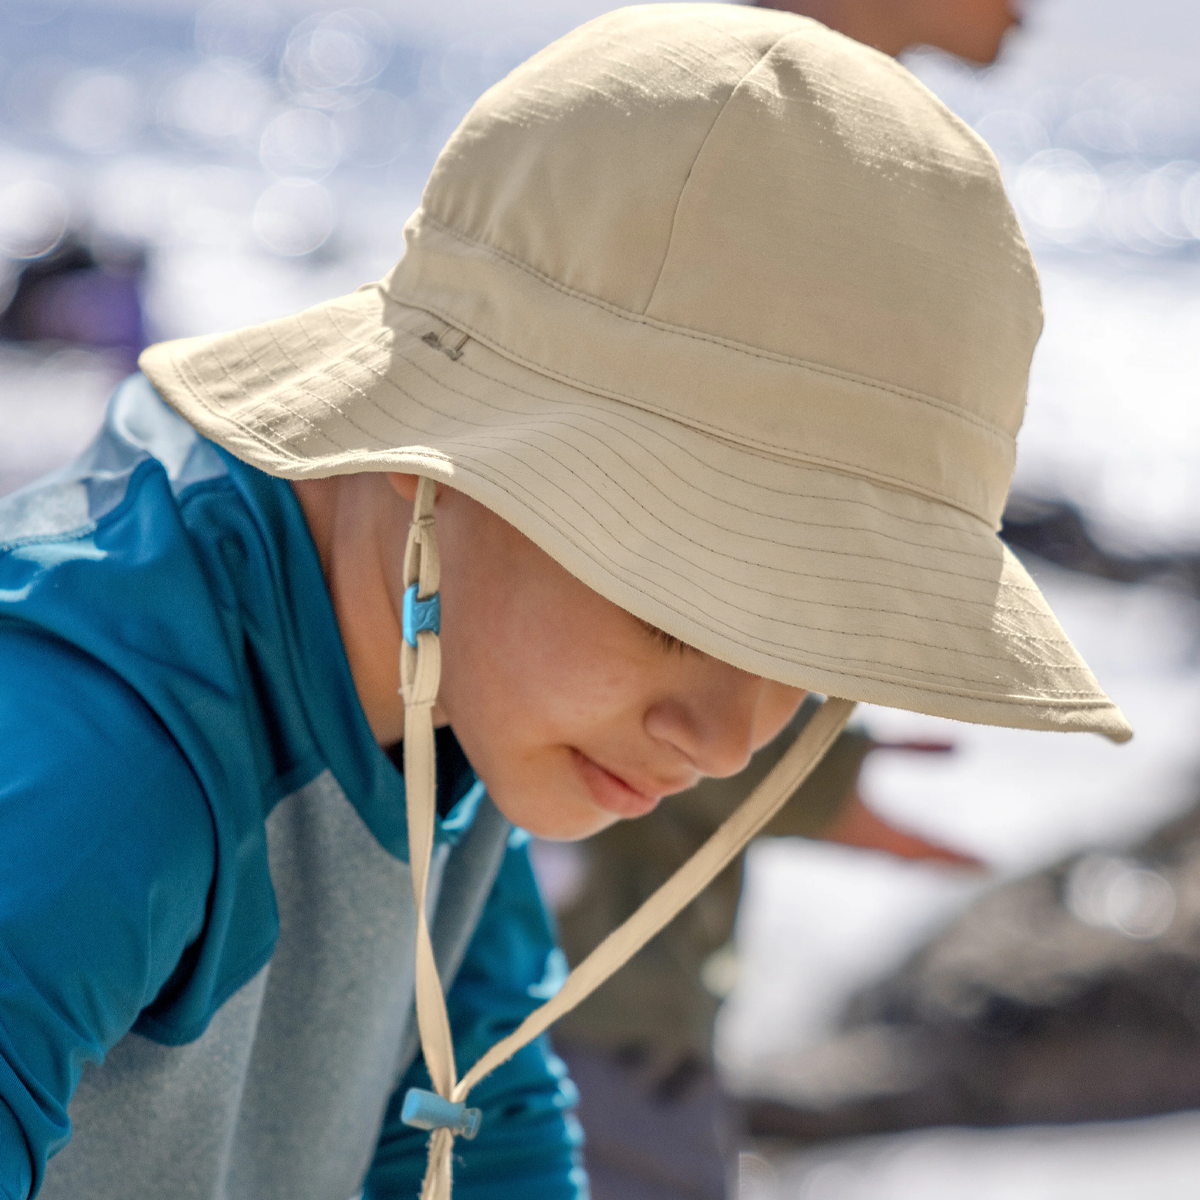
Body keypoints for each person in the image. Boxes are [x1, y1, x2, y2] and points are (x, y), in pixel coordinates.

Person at [0, 6, 1129, 1200]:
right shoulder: (102, 773)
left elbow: (474, 1112)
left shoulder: (445, 694)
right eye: (681, 612)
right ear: (430, 442)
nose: (729, 740)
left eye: (815, 642)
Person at [548, 3, 1025, 1196]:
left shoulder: (755, 137)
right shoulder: (743, 154)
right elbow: (609, 560)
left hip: (583, 1003)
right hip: (567, 1021)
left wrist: (805, 769)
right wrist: (799, 773)